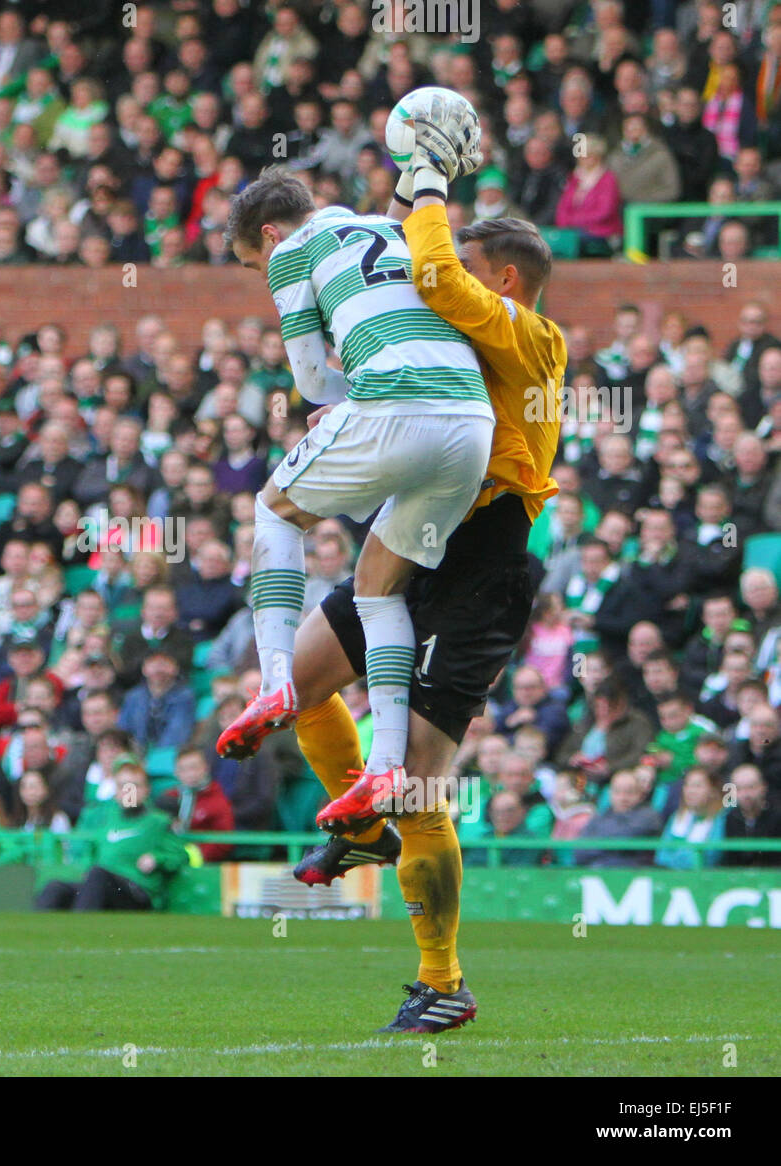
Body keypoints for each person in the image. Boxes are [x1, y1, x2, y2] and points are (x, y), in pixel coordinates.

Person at [286, 145, 567, 1032]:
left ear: (509, 281)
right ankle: (363, 830)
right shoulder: (440, 349)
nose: (427, 289)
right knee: (295, 685)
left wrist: (427, 184)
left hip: (483, 563)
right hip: (412, 541)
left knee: (418, 786)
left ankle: (443, 983)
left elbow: (439, 278)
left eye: (473, 269)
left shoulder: (532, 336)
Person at [218, 151, 495, 813]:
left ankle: (277, 679)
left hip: (397, 404)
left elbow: (312, 382)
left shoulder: (293, 252)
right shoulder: (384, 227)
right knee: (375, 585)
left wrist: (343, 397)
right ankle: (384, 768)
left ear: (268, 236)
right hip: (471, 422)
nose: (264, 274)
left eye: (254, 265)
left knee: (275, 512)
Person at [35, 761, 187, 911]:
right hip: (99, 886)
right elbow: (92, 851)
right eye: (122, 786)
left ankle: (80, 928)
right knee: (55, 888)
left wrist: (157, 858)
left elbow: (180, 855)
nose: (128, 792)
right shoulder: (108, 818)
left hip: (136, 890)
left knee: (98, 875)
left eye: (134, 786)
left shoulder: (158, 822)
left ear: (146, 789)